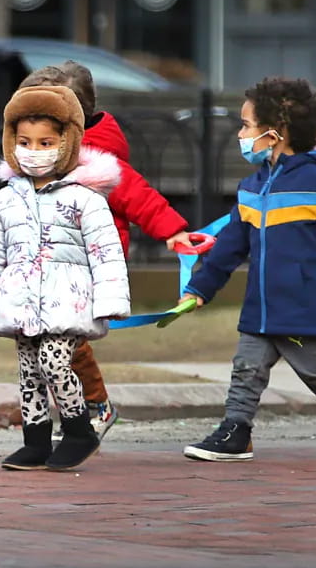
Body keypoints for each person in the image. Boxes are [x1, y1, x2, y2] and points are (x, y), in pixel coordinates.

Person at [0, 85, 130, 471]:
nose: (34, 151)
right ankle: (36, 441)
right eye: (25, 142)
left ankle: (79, 430)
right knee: (29, 371)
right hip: (21, 301)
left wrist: (112, 300)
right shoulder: (5, 199)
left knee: (53, 361)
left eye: (45, 142)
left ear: (67, 142)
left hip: (69, 301)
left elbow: (106, 252)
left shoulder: (86, 198)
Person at [19, 62, 191, 439]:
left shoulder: (96, 162)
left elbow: (140, 197)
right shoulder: (46, 157)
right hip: (51, 265)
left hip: (88, 266)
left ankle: (94, 407)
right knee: (48, 341)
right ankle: (77, 410)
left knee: (62, 340)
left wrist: (174, 232)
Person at [181, 77, 316, 461]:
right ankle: (236, 430)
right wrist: (200, 288)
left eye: (246, 125)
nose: (240, 134)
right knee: (246, 368)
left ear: (276, 132)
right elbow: (229, 247)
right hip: (261, 307)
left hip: (303, 308)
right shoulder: (251, 188)